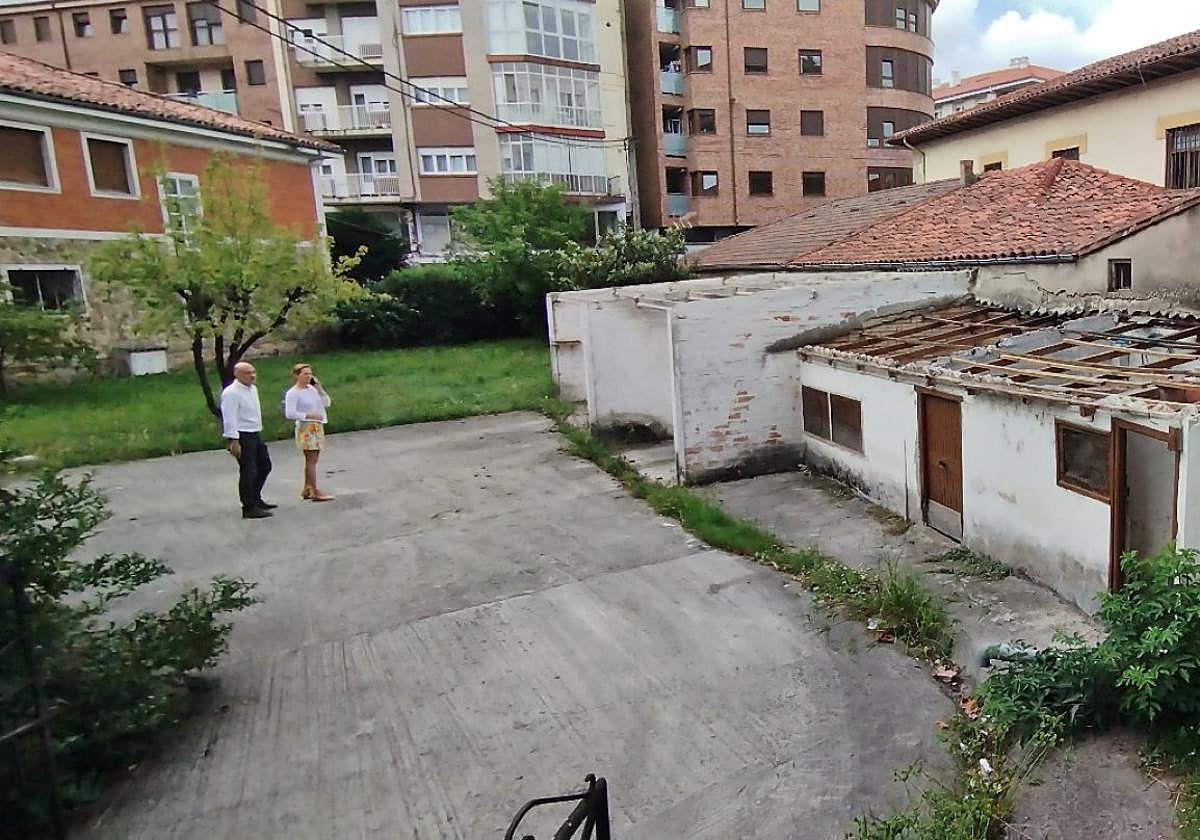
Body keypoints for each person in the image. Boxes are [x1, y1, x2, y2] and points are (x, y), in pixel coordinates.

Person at [220, 361, 276, 519]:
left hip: (254, 431)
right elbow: (229, 418)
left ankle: (255, 497)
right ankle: (248, 507)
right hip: (242, 434)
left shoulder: (253, 389)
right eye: (247, 373)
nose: (252, 376)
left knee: (265, 465)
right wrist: (233, 440)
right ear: (237, 374)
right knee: (249, 471)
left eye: (253, 372)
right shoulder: (231, 393)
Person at [284, 363, 334, 502]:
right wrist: (308, 416)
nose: (308, 376)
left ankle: (307, 488)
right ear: (296, 376)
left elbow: (326, 403)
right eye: (305, 374)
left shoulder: (312, 389)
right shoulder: (293, 393)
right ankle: (314, 490)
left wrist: (319, 388)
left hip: (317, 425)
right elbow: (290, 413)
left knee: (314, 459)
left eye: (310, 374)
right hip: (306, 427)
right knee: (311, 459)